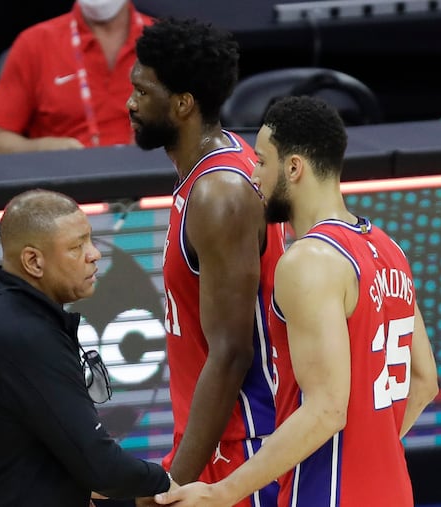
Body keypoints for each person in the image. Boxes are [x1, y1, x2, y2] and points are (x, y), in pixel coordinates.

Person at [152, 96, 440, 507]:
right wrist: (369, 450)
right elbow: (424, 380)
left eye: (263, 162)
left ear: (293, 168)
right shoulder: (387, 248)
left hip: (326, 493)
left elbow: (325, 409)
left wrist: (222, 492)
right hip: (391, 491)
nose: (253, 174)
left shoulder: (306, 261)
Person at [0, 189, 177, 507]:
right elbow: (101, 465)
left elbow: (43, 451)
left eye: (89, 239)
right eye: (76, 246)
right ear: (33, 261)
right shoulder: (24, 335)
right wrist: (167, 484)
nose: (94, 254)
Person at [127, 17, 286, 507]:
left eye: (143, 91)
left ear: (183, 104)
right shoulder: (218, 167)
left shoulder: (219, 194)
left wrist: (172, 483)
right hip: (219, 436)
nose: (130, 103)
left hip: (242, 443)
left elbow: (231, 353)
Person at [0, 0, 152, 154]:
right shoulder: (34, 44)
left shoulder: (168, 42)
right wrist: (44, 149)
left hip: (154, 180)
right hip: (65, 180)